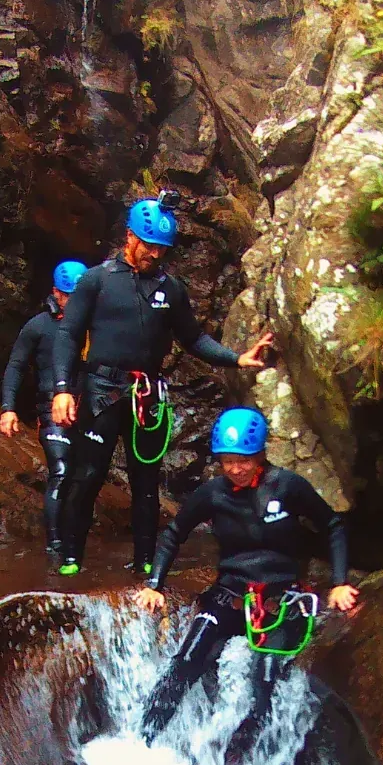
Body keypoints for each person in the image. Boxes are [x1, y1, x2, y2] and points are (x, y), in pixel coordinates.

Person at [50, 194, 275, 577]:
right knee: (86, 476)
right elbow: (68, 334)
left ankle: (145, 560)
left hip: (147, 395)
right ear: (130, 237)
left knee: (146, 483)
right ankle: (71, 558)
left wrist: (236, 358)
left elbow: (193, 338)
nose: (155, 254)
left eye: (162, 248)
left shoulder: (170, 289)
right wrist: (62, 389)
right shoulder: (97, 280)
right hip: (102, 390)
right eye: (149, 245)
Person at [138, 405, 360, 763]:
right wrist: (154, 584)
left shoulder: (287, 486)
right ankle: (142, 740)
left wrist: (339, 583)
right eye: (227, 461)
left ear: (260, 455)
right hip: (230, 595)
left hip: (280, 600)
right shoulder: (213, 493)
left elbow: (332, 525)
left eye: (243, 460)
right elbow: (174, 534)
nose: (235, 469)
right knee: (187, 661)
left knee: (266, 682)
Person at [0, 260, 87, 566]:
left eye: (78, 296)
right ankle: (54, 545)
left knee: (82, 477)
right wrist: (8, 409)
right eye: (67, 296)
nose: (73, 302)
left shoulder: (93, 326)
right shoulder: (38, 326)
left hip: (88, 407)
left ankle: (75, 540)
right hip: (51, 409)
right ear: (56, 293)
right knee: (61, 471)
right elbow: (16, 366)